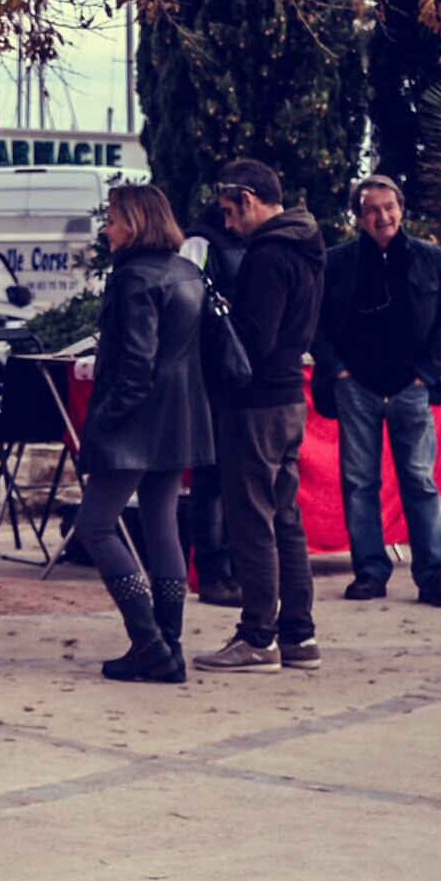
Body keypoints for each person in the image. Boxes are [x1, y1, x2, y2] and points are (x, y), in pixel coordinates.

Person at [194, 159, 325, 674]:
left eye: (230, 212)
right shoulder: (303, 246)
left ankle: (257, 637)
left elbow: (254, 339)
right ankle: (298, 634)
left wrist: (221, 318)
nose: (227, 225)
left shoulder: (268, 255)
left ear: (248, 199)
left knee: (251, 521)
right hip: (288, 396)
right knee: (285, 519)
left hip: (256, 403)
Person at [79, 185, 212, 682]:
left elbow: (137, 361)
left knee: (95, 526)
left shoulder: (133, 277)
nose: (107, 229)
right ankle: (167, 646)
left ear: (135, 223)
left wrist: (108, 417)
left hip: (137, 416)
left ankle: (150, 643)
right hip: (180, 414)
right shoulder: (187, 271)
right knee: (161, 522)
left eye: (113, 220)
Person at [310, 174, 441, 608]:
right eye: (371, 209)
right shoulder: (336, 262)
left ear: (401, 209)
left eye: (388, 207)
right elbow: (312, 321)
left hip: (413, 388)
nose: (382, 216)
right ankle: (370, 572)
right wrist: (337, 371)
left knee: (420, 482)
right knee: (359, 484)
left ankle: (433, 576)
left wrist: (426, 374)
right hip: (356, 388)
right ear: (358, 216)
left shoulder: (431, 258)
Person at [178, 201, 246, 607]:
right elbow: (188, 302)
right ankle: (214, 573)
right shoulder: (201, 243)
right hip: (210, 376)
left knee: (231, 480)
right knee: (211, 481)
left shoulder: (245, 244)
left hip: (232, 375)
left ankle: (234, 570)